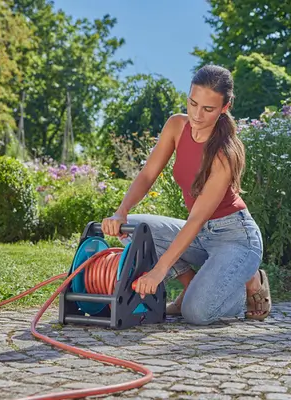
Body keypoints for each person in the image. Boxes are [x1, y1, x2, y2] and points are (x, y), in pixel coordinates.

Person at [101, 64, 271, 325]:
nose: (197, 115)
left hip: (235, 238)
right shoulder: (176, 126)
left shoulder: (225, 152)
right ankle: (191, 285)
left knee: (197, 314)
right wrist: (121, 210)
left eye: (208, 109)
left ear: (225, 108)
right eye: (193, 104)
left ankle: (249, 280)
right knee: (131, 228)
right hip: (201, 236)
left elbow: (196, 220)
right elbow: (148, 175)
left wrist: (159, 272)